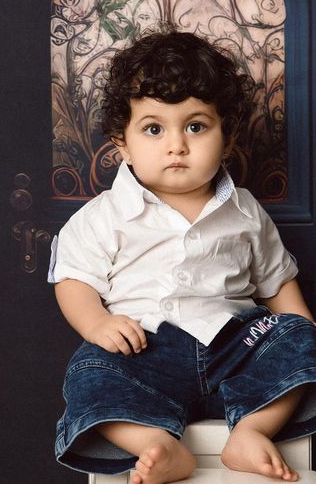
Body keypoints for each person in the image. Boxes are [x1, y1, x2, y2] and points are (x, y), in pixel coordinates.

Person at [48, 26, 316, 484]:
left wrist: (302, 332)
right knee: (88, 372)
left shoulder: (245, 210)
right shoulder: (105, 215)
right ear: (122, 145)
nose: (177, 144)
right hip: (142, 352)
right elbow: (73, 280)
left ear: (226, 138)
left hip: (237, 348)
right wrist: (97, 323)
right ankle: (154, 442)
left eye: (196, 126)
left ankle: (251, 430)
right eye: (154, 129)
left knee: (301, 338)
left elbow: (277, 282)